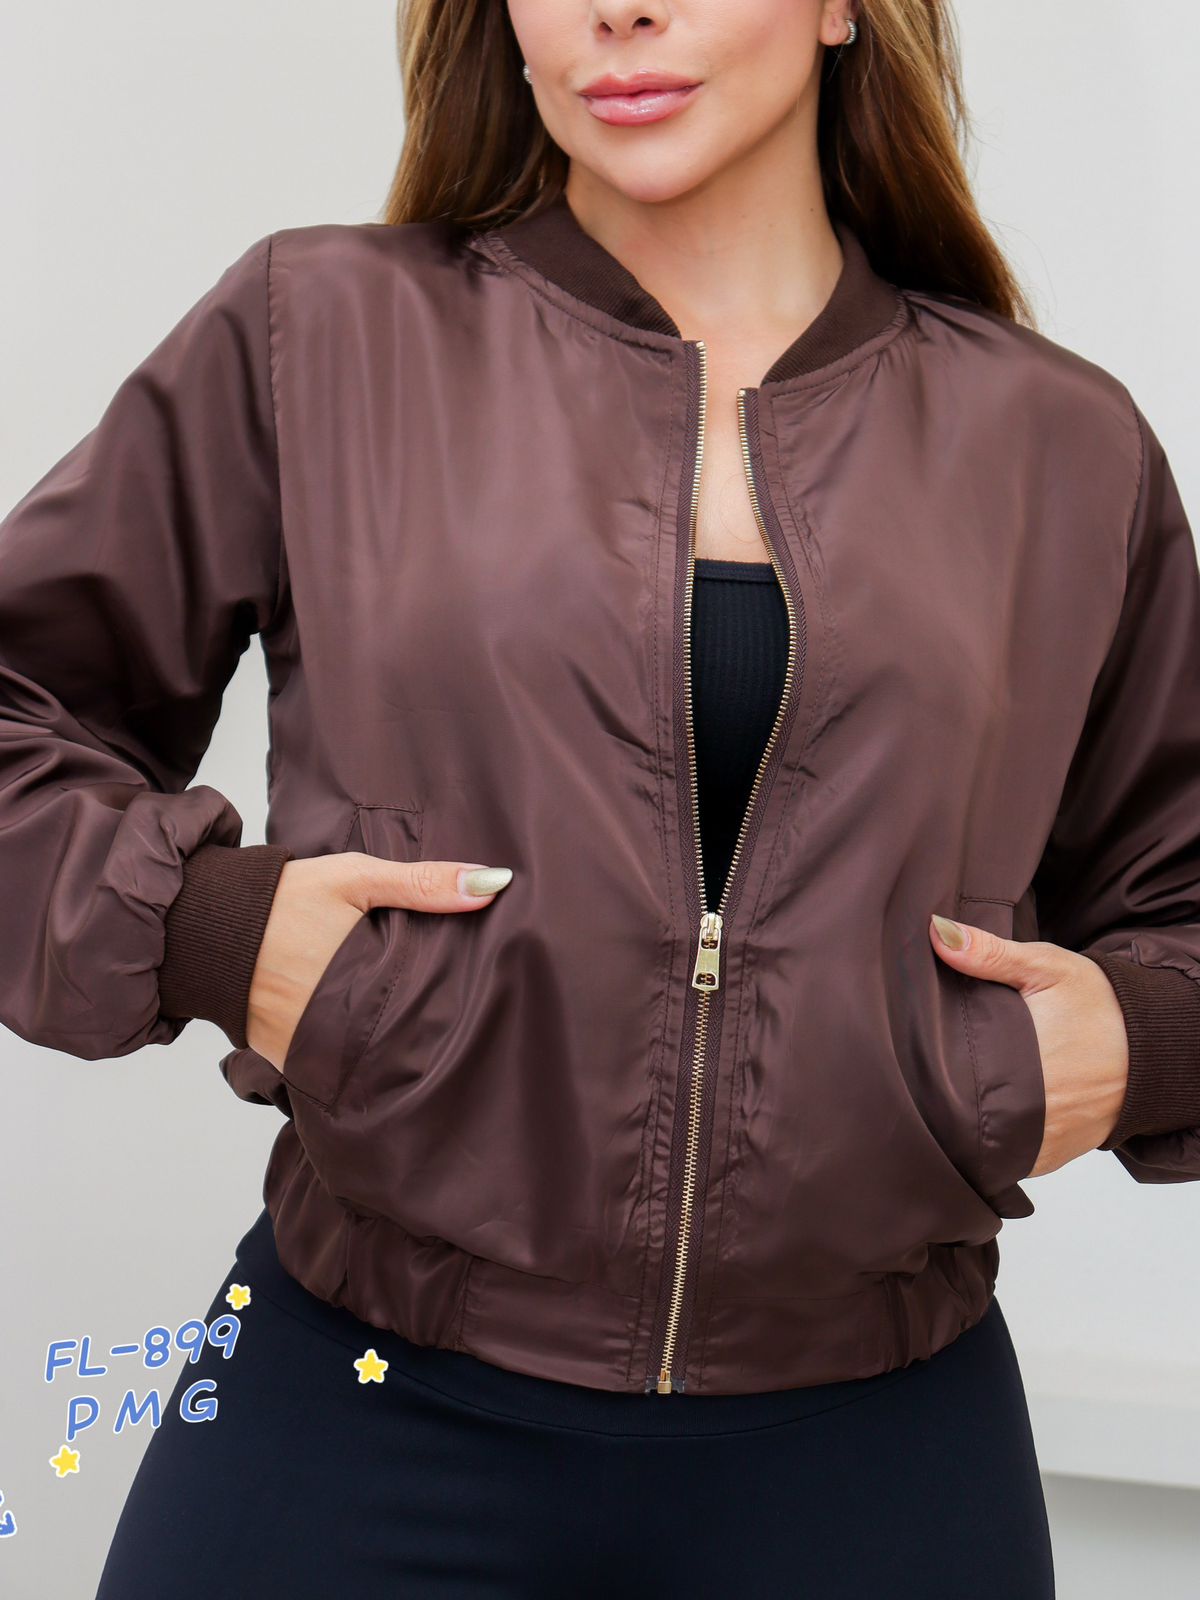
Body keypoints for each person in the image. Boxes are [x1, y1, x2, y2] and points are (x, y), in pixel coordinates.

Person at [4, 1, 1199, 1594]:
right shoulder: (323, 335)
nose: (618, 9)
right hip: (355, 1406)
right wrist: (219, 929)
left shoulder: (1058, 445)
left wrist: (1140, 1039)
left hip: (875, 1465)